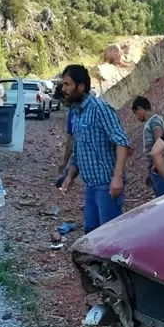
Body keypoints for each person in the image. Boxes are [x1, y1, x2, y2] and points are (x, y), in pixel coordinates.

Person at [58, 64, 130, 232]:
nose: (64, 89)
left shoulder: (100, 109)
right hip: (90, 185)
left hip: (107, 186)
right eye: (64, 84)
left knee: (109, 235)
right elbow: (79, 150)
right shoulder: (76, 112)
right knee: (91, 232)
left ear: (81, 86)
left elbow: (122, 142)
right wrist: (70, 175)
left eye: (67, 84)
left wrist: (117, 178)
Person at [130, 95, 164, 197]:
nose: (137, 117)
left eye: (136, 114)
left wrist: (156, 164)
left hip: (158, 166)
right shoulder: (151, 122)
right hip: (154, 167)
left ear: (139, 109)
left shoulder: (154, 120)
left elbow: (159, 139)